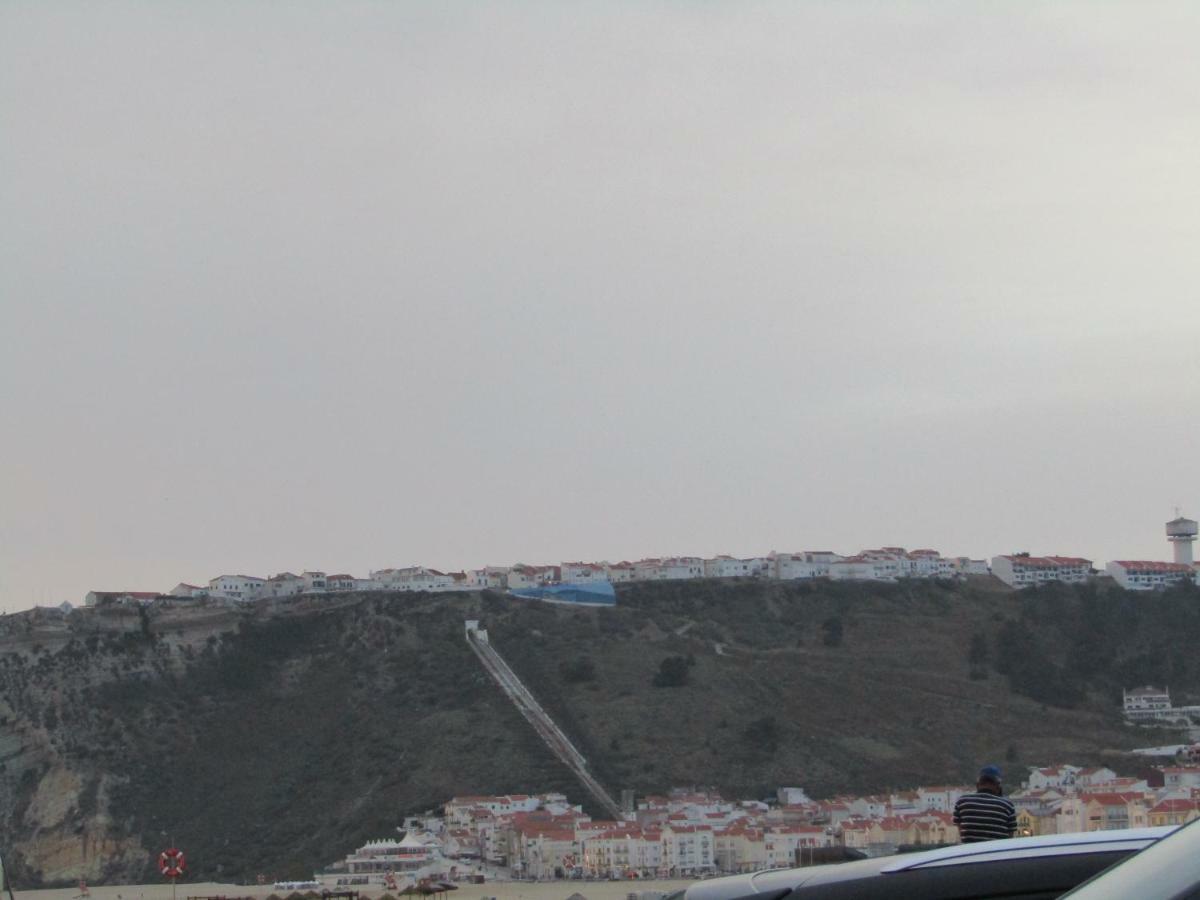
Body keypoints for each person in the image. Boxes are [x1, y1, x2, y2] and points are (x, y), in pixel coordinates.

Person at [953, 764, 1017, 843]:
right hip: (996, 853)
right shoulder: (1007, 805)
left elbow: (961, 831)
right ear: (998, 785)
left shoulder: (962, 802)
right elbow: (1010, 837)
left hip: (970, 853)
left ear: (978, 784)